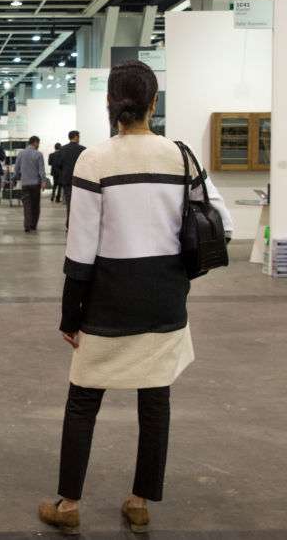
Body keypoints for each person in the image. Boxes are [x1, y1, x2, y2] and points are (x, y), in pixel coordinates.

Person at [38, 60, 233, 535]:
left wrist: (71, 313)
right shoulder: (181, 157)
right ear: (154, 103)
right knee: (156, 398)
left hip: (108, 299)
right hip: (165, 298)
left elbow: (80, 245)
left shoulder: (94, 160)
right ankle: (140, 501)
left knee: (83, 401)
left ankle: (67, 505)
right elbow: (222, 225)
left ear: (110, 103)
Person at [13, 136, 46, 233]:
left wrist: (14, 178)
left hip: (25, 184)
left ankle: (27, 225)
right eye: (38, 143)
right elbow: (41, 170)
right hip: (35, 184)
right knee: (35, 206)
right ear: (35, 142)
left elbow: (16, 169)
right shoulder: (38, 154)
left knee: (27, 205)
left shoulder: (21, 153)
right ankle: (33, 225)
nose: (38, 145)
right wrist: (43, 181)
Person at [57, 130, 86, 223]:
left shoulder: (62, 149)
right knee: (80, 204)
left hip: (67, 180)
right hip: (79, 180)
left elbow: (59, 164)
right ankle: (78, 224)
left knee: (69, 203)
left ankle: (69, 224)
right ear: (76, 137)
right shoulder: (83, 149)